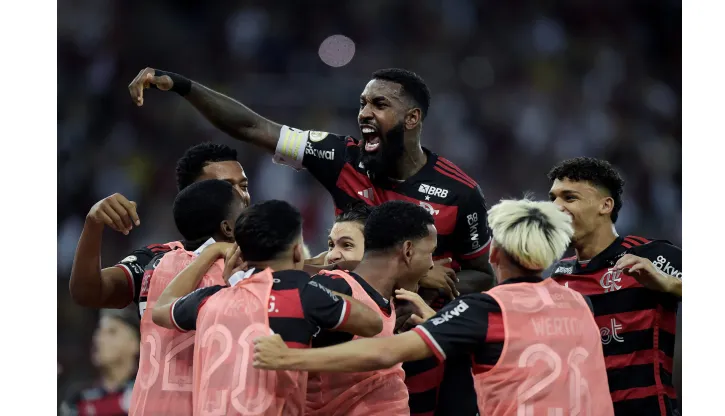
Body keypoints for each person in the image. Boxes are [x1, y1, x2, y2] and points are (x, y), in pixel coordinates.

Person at [129, 67, 493, 414]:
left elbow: (482, 274)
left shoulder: (460, 193)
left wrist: (433, 279)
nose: (364, 113)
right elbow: (253, 126)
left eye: (379, 105)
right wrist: (182, 86)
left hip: (422, 345)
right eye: (362, 103)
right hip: (348, 354)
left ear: (411, 119)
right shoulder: (340, 157)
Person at [253, 198, 614, 416]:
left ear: (494, 253)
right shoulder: (577, 303)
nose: (433, 263)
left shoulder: (485, 311)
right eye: (430, 252)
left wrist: (287, 358)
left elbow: (384, 351)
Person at [152, 199, 384, 415]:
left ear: (241, 253)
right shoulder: (305, 295)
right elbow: (372, 322)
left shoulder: (209, 299)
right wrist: (316, 280)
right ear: (296, 250)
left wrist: (212, 253)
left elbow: (161, 310)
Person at [546, 157, 682, 416]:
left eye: (569, 197)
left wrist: (666, 283)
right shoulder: (558, 274)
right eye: (553, 198)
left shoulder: (650, 255)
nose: (556, 207)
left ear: (604, 205)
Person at [69, 142, 250, 312]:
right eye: (226, 187)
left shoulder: (268, 256)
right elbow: (88, 293)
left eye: (243, 186)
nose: (242, 196)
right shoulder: (156, 260)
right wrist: (93, 225)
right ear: (191, 195)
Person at [304, 200, 436, 416]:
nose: (432, 265)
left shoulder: (391, 302)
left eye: (346, 245)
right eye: (430, 252)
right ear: (408, 251)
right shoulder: (336, 287)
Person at [129, 179, 246, 416]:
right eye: (244, 212)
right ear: (228, 229)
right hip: (191, 405)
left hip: (143, 404)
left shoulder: (159, 263)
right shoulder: (228, 272)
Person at [60, 308, 140, 416]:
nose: (99, 339)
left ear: (135, 344)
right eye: (99, 331)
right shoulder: (79, 399)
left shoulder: (145, 396)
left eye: (112, 332)